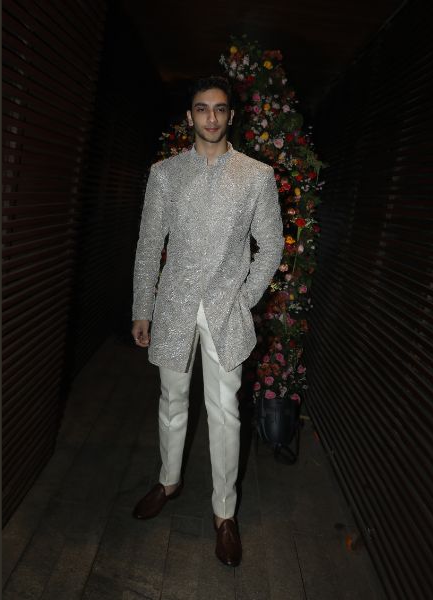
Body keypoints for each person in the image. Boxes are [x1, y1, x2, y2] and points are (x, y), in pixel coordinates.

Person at [130, 75, 284, 567]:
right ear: (189, 116)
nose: (211, 117)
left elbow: (272, 246)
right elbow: (149, 246)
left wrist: (244, 298)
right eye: (202, 108)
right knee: (172, 400)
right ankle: (168, 481)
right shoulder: (165, 174)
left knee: (225, 413)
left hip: (225, 310)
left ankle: (224, 513)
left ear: (231, 115)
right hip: (174, 306)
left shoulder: (256, 175)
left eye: (219, 109)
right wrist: (142, 308)